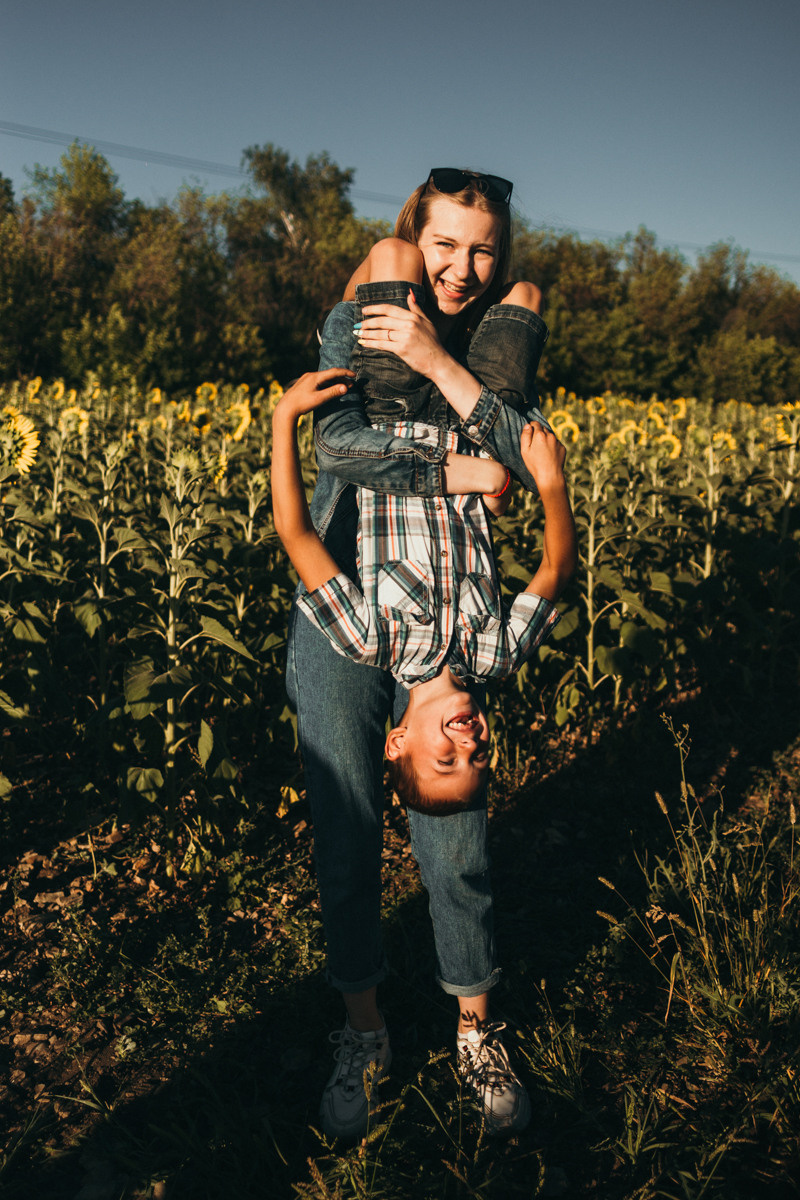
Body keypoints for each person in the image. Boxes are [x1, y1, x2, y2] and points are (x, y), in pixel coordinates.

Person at [283, 168, 571, 1140]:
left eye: (482, 249)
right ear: (416, 233)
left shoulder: (490, 351)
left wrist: (441, 369)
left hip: (440, 619)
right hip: (345, 609)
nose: (462, 267)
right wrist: (455, 461)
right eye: (443, 243)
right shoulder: (359, 319)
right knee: (347, 822)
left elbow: (524, 455)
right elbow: (340, 450)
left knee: (455, 832)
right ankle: (363, 1030)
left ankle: (473, 1025)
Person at [272, 373, 575, 816]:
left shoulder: (369, 639)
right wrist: (551, 484)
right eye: (480, 758)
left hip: (383, 408)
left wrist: (284, 418)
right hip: (467, 409)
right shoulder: (497, 653)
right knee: (520, 305)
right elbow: (557, 568)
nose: (469, 743)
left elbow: (296, 535)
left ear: (398, 742)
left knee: (367, 310)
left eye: (447, 760)